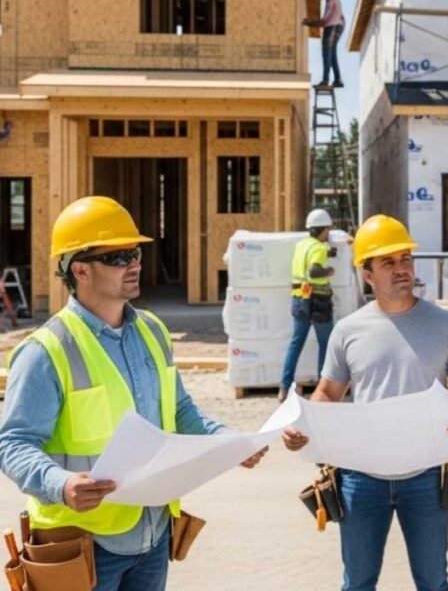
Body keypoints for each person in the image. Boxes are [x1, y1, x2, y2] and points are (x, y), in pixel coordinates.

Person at [0, 196, 265, 591]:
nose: (135, 263)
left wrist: (230, 442)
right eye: (119, 256)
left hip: (152, 536)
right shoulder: (47, 350)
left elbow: (180, 411)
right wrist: (61, 483)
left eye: (135, 252)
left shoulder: (153, 332)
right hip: (81, 545)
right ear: (81, 270)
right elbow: (14, 443)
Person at [282, 214, 448, 591]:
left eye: (405, 259)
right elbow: (327, 393)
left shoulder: (445, 325)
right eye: (387, 262)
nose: (401, 269)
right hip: (361, 477)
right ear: (368, 274)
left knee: (434, 583)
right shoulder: (349, 330)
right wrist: (303, 425)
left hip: (426, 474)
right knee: (357, 583)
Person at [281, 208, 336, 401]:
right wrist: (328, 271)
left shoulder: (301, 245)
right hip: (318, 301)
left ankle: (284, 387)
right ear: (322, 230)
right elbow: (313, 271)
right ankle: (323, 389)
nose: (328, 234)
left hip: (299, 298)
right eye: (327, 230)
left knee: (296, 344)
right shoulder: (319, 248)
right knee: (326, 345)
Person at [305, 0, 345, 89]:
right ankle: (337, 80)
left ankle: (325, 80)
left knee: (326, 54)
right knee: (332, 55)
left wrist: (310, 22)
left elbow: (325, 19)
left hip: (331, 27)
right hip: (339, 26)